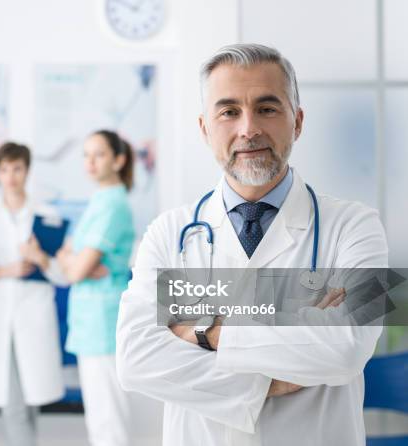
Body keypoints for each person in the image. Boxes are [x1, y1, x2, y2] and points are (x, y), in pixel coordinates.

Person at [115, 44, 388, 446]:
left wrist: (205, 330)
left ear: (297, 121)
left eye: (267, 108)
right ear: (205, 128)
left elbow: (347, 349)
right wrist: (265, 382)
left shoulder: (361, 227)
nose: (248, 129)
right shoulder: (166, 232)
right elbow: (135, 360)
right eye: (228, 111)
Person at [24, 130, 136, 446]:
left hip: (103, 324)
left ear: (118, 159)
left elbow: (75, 269)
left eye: (99, 154)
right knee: (99, 420)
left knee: (109, 422)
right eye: (85, 154)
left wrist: (74, 262)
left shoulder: (113, 205)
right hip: (90, 324)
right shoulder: (98, 202)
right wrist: (73, 263)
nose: (90, 162)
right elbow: (72, 265)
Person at [0, 142, 67, 446]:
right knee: (14, 402)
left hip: (34, 317)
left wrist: (40, 259)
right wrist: (6, 270)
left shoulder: (47, 215)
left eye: (17, 168)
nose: (11, 176)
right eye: (4, 169)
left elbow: (61, 275)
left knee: (32, 400)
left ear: (27, 171)